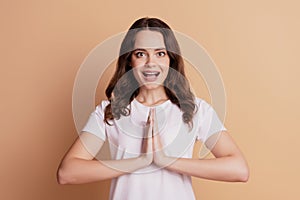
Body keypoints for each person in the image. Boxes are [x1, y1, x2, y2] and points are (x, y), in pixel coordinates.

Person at [57, 17, 249, 200]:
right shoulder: (110, 111)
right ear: (129, 60)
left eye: (160, 53)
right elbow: (67, 173)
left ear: (170, 60)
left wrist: (166, 161)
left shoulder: (195, 109)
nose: (151, 63)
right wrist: (139, 162)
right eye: (141, 54)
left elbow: (239, 169)